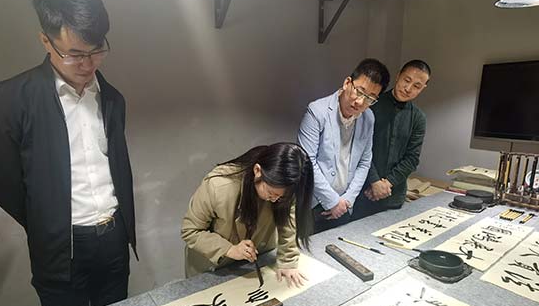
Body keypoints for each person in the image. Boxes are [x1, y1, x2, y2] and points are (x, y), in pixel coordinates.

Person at [0, 0, 137, 306]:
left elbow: (115, 165)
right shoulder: (10, 99)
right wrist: (43, 216)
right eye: (75, 54)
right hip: (59, 247)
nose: (88, 64)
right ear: (45, 41)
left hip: (113, 236)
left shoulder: (112, 98)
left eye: (97, 50)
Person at [181, 143, 314, 287]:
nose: (275, 200)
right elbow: (191, 230)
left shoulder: (286, 188)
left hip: (255, 260)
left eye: (281, 197)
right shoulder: (219, 186)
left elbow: (288, 225)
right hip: (213, 264)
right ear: (257, 171)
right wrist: (229, 249)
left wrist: (288, 261)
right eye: (271, 193)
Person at [297, 58, 390, 232]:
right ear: (347, 83)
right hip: (313, 203)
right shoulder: (317, 111)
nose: (360, 102)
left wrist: (347, 200)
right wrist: (332, 201)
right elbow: (307, 162)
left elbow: (364, 162)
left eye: (370, 98)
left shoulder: (368, 118)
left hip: (345, 205)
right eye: (359, 92)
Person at [352, 60, 430, 220]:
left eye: (416, 86)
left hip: (394, 196)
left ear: (423, 88)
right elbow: (358, 147)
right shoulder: (371, 104)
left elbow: (412, 158)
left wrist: (387, 184)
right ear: (398, 75)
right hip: (363, 192)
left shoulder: (418, 118)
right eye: (406, 80)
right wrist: (374, 182)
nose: (408, 88)